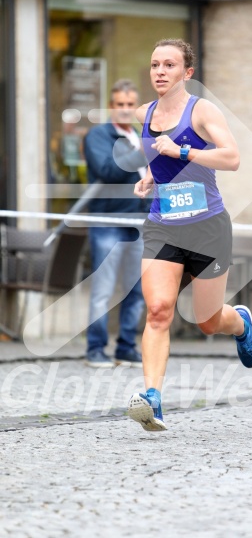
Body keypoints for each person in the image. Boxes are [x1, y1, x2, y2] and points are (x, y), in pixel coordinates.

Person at [127, 39, 252, 431]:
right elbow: (158, 152)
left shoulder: (202, 111)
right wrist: (153, 174)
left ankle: (239, 322)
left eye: (169, 65)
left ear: (187, 72)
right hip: (163, 224)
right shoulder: (145, 113)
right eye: (155, 65)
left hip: (208, 228)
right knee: (158, 311)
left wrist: (181, 153)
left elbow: (231, 158)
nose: (160, 71)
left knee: (206, 321)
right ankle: (152, 399)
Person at [84, 79, 149, 368]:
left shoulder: (137, 136)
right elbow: (106, 170)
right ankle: (95, 349)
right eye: (120, 105)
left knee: (136, 289)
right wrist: (144, 152)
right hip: (107, 221)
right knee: (103, 288)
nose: (125, 109)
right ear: (111, 106)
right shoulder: (99, 135)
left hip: (138, 223)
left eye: (130, 105)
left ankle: (125, 347)